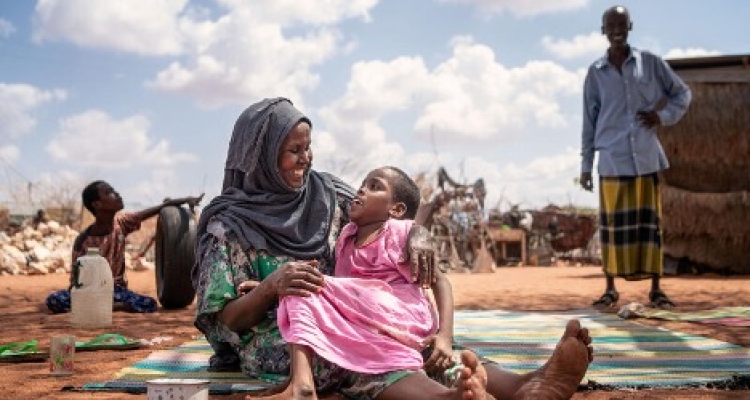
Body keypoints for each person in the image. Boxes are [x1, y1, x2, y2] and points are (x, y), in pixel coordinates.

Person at [193, 97, 593, 400]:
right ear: (260, 156)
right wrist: (269, 288)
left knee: (422, 340)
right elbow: (225, 322)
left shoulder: (326, 193)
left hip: (356, 313)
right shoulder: (226, 228)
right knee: (352, 352)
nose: (306, 159)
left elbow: (391, 217)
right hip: (280, 338)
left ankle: (524, 385)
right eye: (293, 151)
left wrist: (419, 234)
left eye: (308, 147)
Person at [254, 165, 466, 400]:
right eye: (363, 184)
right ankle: (458, 393)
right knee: (301, 286)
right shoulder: (346, 237)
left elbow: (441, 283)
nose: (362, 190)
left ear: (396, 209)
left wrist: (445, 336)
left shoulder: (399, 231)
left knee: (301, 282)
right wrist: (270, 289)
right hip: (375, 322)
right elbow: (343, 290)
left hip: (403, 314)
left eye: (374, 187)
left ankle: (302, 387)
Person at [580, 5, 691, 309]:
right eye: (610, 24)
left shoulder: (652, 64)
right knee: (613, 229)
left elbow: (682, 94)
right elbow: (589, 121)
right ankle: (611, 289)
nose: (617, 29)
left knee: (649, 227)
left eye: (622, 23)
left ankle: (656, 290)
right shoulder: (596, 73)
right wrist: (586, 166)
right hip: (612, 159)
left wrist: (662, 115)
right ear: (603, 30)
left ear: (631, 26)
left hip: (645, 158)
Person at [45, 181, 203, 313]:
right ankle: (104, 306)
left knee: (149, 304)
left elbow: (158, 209)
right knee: (54, 300)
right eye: (110, 192)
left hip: (116, 291)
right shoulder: (84, 240)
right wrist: (85, 294)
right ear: (97, 204)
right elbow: (76, 281)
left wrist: (186, 199)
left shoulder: (121, 224)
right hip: (90, 292)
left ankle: (104, 307)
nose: (117, 194)